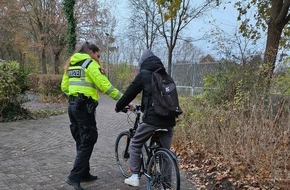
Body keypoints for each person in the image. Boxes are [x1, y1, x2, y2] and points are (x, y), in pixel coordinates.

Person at [61, 42, 123, 190]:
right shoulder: (89, 63)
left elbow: (64, 87)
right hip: (84, 108)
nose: (98, 58)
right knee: (89, 138)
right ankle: (74, 177)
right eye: (98, 55)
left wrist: (76, 95)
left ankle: (84, 173)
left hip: (73, 106)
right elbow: (105, 86)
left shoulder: (71, 64)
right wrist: (123, 99)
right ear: (90, 51)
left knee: (81, 139)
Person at [115, 49, 176, 187]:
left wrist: (118, 107)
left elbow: (129, 93)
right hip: (169, 121)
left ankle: (135, 176)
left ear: (142, 63)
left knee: (135, 143)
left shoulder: (144, 74)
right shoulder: (165, 75)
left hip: (153, 120)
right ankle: (167, 184)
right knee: (165, 152)